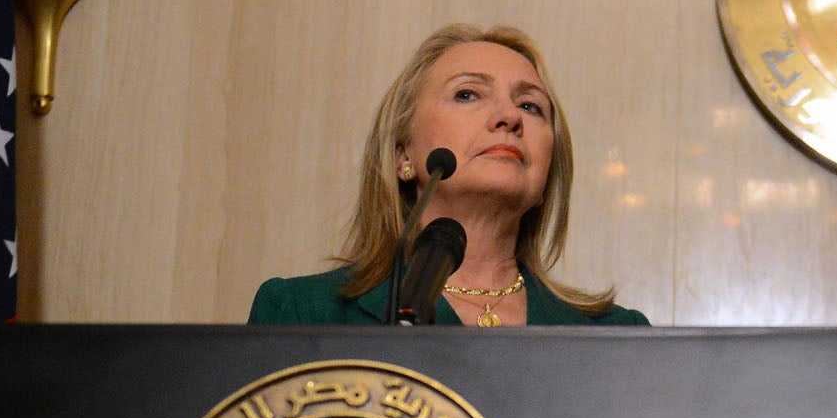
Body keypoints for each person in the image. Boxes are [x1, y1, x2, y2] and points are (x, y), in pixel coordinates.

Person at [248, 24, 648, 327]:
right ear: (403, 155)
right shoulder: (301, 313)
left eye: (530, 106)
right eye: (467, 94)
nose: (509, 117)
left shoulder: (617, 334)